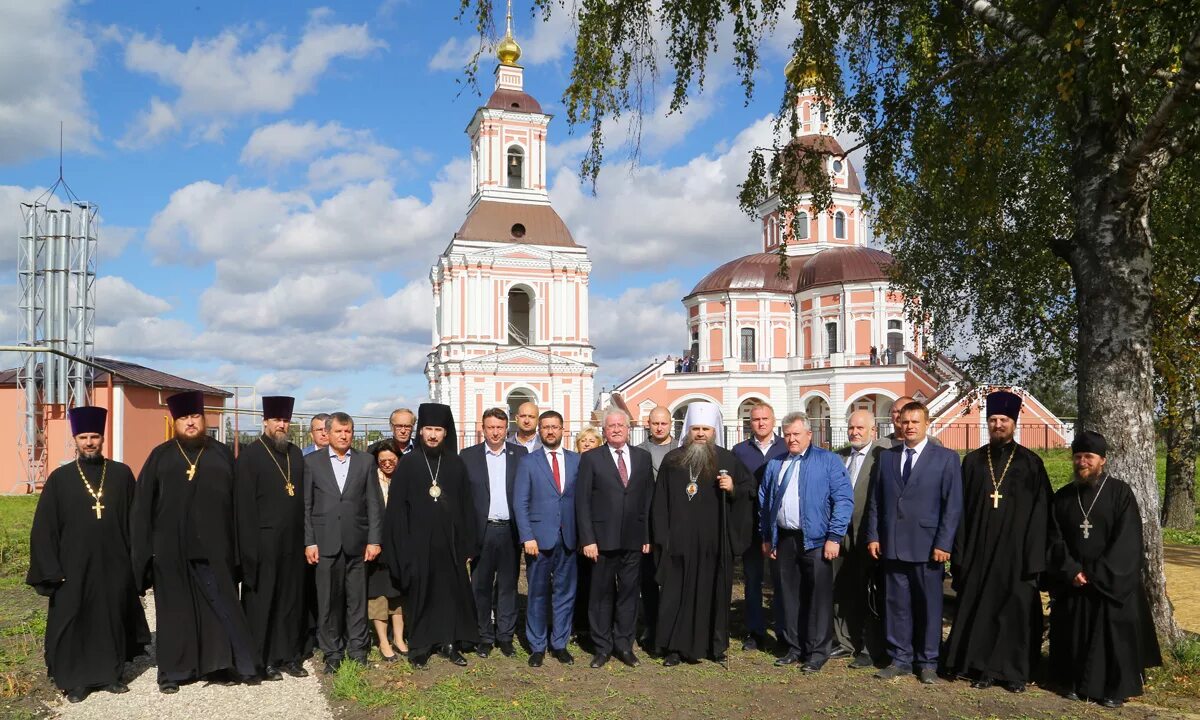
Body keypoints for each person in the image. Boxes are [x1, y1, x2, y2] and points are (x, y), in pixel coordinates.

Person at [131, 391, 258, 692]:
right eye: (184, 418)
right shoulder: (160, 456)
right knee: (176, 613)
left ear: (204, 419)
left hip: (217, 548)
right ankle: (174, 672)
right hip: (170, 550)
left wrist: (240, 551)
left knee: (221, 608)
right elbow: (141, 508)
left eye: (195, 417)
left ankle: (220, 666)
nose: (190, 423)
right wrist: (143, 553)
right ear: (175, 422)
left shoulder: (222, 454)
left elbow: (239, 506)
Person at [27, 406, 150, 703]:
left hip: (114, 563)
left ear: (102, 438)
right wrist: (51, 568)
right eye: (83, 437)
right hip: (73, 567)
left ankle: (111, 675)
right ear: (76, 440)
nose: (90, 442)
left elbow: (137, 522)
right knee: (74, 620)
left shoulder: (121, 474)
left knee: (111, 618)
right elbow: (44, 528)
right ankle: (77, 680)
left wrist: (138, 563)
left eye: (94, 436)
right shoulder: (60, 479)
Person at [943, 391, 1053, 693]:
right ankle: (981, 668)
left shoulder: (1031, 464)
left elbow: (1043, 514)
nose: (997, 424)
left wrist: (1035, 559)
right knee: (983, 611)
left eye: (1003, 419)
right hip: (980, 552)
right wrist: (960, 553)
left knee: (1014, 614)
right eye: (993, 419)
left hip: (1017, 557)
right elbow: (960, 511)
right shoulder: (974, 462)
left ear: (1013, 423)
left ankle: (1015, 673)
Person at [1046, 430, 1161, 708]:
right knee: (1075, 632)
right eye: (1078, 456)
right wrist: (1071, 569)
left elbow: (1128, 539)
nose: (1082, 462)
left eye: (1089, 457)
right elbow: (1054, 537)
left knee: (1112, 637)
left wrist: (1096, 573)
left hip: (1110, 583)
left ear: (1103, 460)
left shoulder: (1121, 493)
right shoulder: (1063, 497)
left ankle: (1114, 689)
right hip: (1075, 581)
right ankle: (1073, 682)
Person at [865, 401, 962, 684]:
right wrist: (873, 535)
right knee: (896, 604)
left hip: (928, 546)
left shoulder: (945, 458)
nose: (908, 427)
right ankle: (900, 658)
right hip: (892, 544)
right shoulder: (886, 458)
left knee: (929, 606)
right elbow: (875, 501)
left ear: (927, 424)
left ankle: (928, 661)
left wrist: (944, 543)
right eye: (904, 422)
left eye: (915, 422)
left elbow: (952, 505)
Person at [653, 402, 754, 666]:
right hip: (679, 542)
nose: (700, 434)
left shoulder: (728, 460)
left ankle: (713, 645)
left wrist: (733, 487)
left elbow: (749, 491)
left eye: (706, 429)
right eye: (696, 428)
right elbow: (660, 502)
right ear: (688, 429)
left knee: (713, 592)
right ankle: (673, 647)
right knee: (676, 593)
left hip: (713, 544)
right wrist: (662, 537)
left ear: (714, 431)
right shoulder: (673, 460)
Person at [386, 403, 479, 669]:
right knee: (421, 595)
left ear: (445, 432)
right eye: (428, 429)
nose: (433, 435)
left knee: (450, 594)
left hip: (449, 544)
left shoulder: (456, 464)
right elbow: (396, 510)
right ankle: (420, 646)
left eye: (438, 429)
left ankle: (449, 643)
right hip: (418, 544)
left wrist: (467, 543)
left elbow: (466, 506)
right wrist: (401, 546)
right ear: (421, 431)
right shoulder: (409, 464)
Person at [759, 412, 853, 672]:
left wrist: (834, 537)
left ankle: (816, 651)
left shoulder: (828, 461)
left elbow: (843, 500)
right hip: (785, 539)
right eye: (787, 434)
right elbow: (764, 502)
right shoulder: (776, 464)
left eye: (796, 434)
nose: (791, 439)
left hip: (817, 539)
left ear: (809, 435)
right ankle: (794, 646)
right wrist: (767, 536)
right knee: (788, 595)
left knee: (818, 597)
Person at [236, 396, 311, 680]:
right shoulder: (250, 456)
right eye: (276, 420)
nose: (281, 425)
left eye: (285, 420)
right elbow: (243, 507)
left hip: (293, 542)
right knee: (263, 602)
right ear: (265, 421)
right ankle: (263, 659)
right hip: (263, 544)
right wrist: (248, 550)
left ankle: (290, 656)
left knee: (291, 601)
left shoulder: (294, 453)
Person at [303, 412, 383, 673]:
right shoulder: (312, 462)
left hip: (357, 543)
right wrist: (309, 542)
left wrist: (374, 540)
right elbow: (306, 506)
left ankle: (358, 649)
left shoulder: (365, 462)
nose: (344, 436)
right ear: (327, 433)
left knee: (356, 600)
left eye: (348, 431)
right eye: (338, 431)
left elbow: (374, 503)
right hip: (324, 544)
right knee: (327, 601)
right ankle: (332, 652)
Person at [576, 410, 654, 669]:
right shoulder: (591, 459)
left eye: (621, 425)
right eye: (612, 426)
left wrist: (646, 535)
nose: (617, 429)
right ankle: (602, 647)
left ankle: (624, 645)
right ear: (604, 430)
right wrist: (587, 539)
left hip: (633, 540)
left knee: (629, 595)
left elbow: (647, 500)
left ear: (629, 429)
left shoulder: (642, 458)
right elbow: (582, 502)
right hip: (601, 541)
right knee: (600, 595)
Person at [514, 411, 579, 668]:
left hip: (569, 538)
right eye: (546, 427)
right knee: (538, 594)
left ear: (563, 429)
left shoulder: (577, 461)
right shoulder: (529, 462)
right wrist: (527, 536)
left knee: (565, 594)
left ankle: (560, 643)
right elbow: (520, 503)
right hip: (539, 541)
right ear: (540, 431)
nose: (550, 431)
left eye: (555, 427)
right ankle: (537, 645)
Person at [461, 408, 527, 658]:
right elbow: (462, 499)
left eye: (500, 427)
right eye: (491, 427)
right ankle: (484, 636)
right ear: (483, 429)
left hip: (510, 530)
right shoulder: (468, 456)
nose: (495, 432)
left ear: (506, 429)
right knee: (481, 586)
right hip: (482, 530)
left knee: (508, 585)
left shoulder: (520, 454)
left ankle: (505, 636)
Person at [833, 409, 889, 668]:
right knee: (843, 591)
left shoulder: (882, 458)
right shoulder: (839, 458)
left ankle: (869, 647)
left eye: (860, 429)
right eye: (851, 428)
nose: (854, 433)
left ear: (872, 431)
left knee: (869, 594)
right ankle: (845, 641)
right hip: (840, 537)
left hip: (868, 536)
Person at [731, 401, 787, 652]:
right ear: (749, 423)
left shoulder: (786, 446)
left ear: (773, 420)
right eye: (755, 420)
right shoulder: (739, 451)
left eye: (765, 418)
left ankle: (784, 630)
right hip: (751, 523)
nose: (761, 423)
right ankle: (755, 630)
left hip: (781, 526)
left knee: (781, 580)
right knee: (752, 579)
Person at [634, 405, 674, 647]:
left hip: (675, 522)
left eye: (664, 423)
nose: (659, 427)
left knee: (672, 577)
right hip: (648, 523)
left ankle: (670, 624)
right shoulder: (639, 452)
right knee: (647, 577)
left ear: (671, 424)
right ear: (648, 424)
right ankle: (651, 623)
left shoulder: (682, 449)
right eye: (655, 423)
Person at [367, 441, 407, 661]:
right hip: (377, 548)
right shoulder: (371, 481)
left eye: (392, 459)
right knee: (379, 596)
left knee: (398, 595)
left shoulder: (404, 479)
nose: (388, 464)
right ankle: (383, 641)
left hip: (399, 547)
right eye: (383, 460)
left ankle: (399, 638)